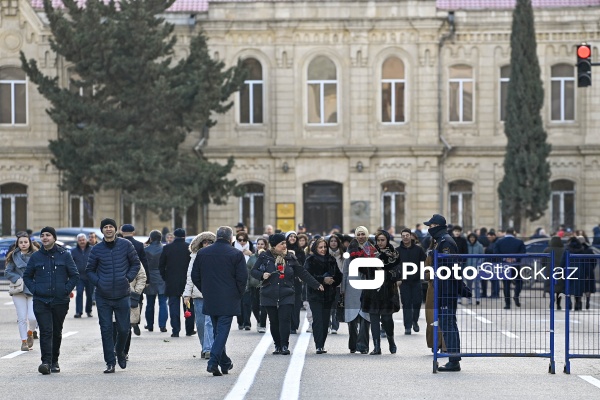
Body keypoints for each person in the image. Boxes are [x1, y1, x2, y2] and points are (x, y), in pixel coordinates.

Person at [251, 233, 323, 355]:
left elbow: (302, 272)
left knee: (284, 320)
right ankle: (277, 345)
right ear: (274, 246)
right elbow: (253, 271)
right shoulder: (265, 256)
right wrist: (262, 275)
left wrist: (316, 284)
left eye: (285, 243)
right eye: (282, 243)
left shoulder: (290, 257)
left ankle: (284, 345)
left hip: (287, 293)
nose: (285, 245)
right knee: (274, 321)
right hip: (269, 293)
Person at [86, 218, 140, 373]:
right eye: (105, 227)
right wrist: (99, 282)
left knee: (124, 329)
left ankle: (120, 352)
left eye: (111, 227)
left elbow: (135, 263)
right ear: (102, 230)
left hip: (123, 294)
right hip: (103, 296)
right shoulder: (97, 249)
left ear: (116, 229)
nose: (108, 229)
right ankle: (110, 362)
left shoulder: (126, 245)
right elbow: (89, 270)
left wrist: (128, 278)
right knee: (106, 329)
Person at [191, 226, 247, 376]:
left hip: (210, 297)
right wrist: (238, 294)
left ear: (216, 237)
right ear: (231, 239)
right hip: (228, 298)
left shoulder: (203, 253)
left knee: (217, 331)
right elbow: (242, 279)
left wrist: (205, 290)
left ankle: (225, 362)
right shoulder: (236, 254)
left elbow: (194, 275)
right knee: (221, 332)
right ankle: (213, 362)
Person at [23, 227, 79, 375]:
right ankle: (45, 362)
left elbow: (74, 275)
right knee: (46, 331)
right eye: (42, 235)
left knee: (56, 331)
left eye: (48, 235)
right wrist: (35, 289)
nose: (45, 238)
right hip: (41, 300)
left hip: (60, 300)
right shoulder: (36, 257)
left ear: (54, 238)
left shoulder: (64, 255)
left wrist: (65, 290)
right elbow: (27, 276)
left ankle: (55, 360)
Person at [423, 214, 464, 372]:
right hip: (443, 288)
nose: (429, 229)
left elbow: (450, 267)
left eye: (431, 226)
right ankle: (454, 359)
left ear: (437, 226)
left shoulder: (446, 242)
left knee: (448, 324)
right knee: (447, 324)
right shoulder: (441, 240)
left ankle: (454, 360)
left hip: (446, 289)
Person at [363, 230, 400, 355]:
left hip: (388, 290)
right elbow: (364, 269)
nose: (380, 242)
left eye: (383, 240)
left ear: (387, 240)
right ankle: (376, 346)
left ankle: (391, 340)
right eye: (378, 240)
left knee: (387, 319)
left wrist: (386, 272)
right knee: (373, 318)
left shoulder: (394, 254)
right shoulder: (370, 253)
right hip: (372, 290)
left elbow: (397, 271)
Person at [304, 237, 343, 354]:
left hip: (329, 295)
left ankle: (322, 344)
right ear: (316, 248)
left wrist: (333, 280)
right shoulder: (310, 260)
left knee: (326, 320)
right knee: (318, 320)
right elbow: (307, 276)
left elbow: (338, 275)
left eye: (325, 247)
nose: (323, 249)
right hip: (315, 295)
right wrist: (322, 280)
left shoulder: (331, 259)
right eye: (320, 247)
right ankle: (318, 345)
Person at [341, 226, 375, 354]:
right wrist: (343, 289)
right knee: (352, 318)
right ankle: (353, 344)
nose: (361, 236)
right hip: (352, 287)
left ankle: (363, 345)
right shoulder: (350, 249)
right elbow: (345, 270)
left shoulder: (372, 249)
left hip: (367, 285)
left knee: (366, 317)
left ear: (366, 235)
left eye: (363, 234)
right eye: (358, 234)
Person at [4, 232, 40, 352]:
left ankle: (30, 332)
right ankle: (24, 341)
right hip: (19, 289)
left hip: (33, 288)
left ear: (30, 243)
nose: (23, 244)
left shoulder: (36, 255)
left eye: (25, 242)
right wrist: (18, 279)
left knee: (33, 317)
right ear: (17, 244)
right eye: (21, 242)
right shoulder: (13, 256)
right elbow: (8, 272)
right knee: (21, 318)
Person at [183, 232, 216, 359]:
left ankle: (209, 348)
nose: (207, 244)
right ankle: (204, 346)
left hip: (212, 293)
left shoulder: (216, 255)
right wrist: (187, 294)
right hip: (198, 293)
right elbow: (190, 276)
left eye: (210, 242)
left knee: (209, 321)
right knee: (201, 323)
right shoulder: (195, 256)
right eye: (205, 242)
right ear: (201, 244)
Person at [159, 228, 193, 338]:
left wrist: (166, 278)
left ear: (174, 236)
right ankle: (189, 329)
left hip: (171, 282)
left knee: (173, 307)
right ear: (185, 235)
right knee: (188, 306)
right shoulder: (189, 248)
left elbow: (161, 266)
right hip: (187, 282)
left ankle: (176, 330)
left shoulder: (167, 248)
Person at [397, 228, 427, 335]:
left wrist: (423, 274)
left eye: (407, 235)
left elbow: (424, 262)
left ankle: (415, 320)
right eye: (403, 235)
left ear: (411, 236)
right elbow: (395, 265)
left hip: (416, 280)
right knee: (406, 304)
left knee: (417, 302)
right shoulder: (398, 250)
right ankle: (408, 326)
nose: (405, 237)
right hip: (404, 281)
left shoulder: (418, 250)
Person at [494, 227, 526, 309]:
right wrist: (514, 258)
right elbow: (523, 252)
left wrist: (504, 258)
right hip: (515, 264)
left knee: (506, 284)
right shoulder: (519, 241)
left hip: (504, 265)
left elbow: (495, 253)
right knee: (519, 281)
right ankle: (516, 294)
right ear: (514, 233)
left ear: (505, 233)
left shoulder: (499, 242)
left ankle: (507, 304)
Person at [144, 230, 168, 332]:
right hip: (162, 277)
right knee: (163, 302)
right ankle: (162, 325)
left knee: (150, 303)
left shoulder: (146, 249)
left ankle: (150, 325)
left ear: (151, 238)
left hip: (150, 277)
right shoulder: (165, 249)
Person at [246, 238, 269, 333]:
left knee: (263, 306)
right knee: (254, 307)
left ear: (265, 246)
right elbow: (247, 272)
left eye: (262, 244)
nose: (260, 245)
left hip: (265, 286)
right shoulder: (252, 258)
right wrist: (247, 285)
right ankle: (259, 320)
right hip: (253, 286)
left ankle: (262, 325)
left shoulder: (269, 257)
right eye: (258, 244)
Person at [71, 233, 94, 318]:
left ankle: (89, 311)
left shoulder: (92, 249)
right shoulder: (73, 251)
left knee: (90, 294)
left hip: (90, 276)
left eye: (83, 240)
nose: (82, 242)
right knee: (79, 293)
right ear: (77, 241)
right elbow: (71, 263)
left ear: (86, 240)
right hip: (79, 276)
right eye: (80, 240)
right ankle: (78, 312)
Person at [234, 231, 254, 330]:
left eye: (244, 240)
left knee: (247, 301)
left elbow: (255, 260)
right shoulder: (233, 246)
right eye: (240, 240)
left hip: (248, 275)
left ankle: (247, 322)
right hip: (236, 276)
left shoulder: (250, 246)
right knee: (239, 301)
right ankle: (240, 321)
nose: (242, 242)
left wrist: (250, 254)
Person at [327, 233, 345, 334]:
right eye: (332, 241)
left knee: (336, 306)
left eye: (335, 241)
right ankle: (328, 323)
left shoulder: (342, 255)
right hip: (328, 283)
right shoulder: (325, 254)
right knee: (328, 306)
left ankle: (335, 326)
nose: (333, 243)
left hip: (338, 284)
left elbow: (344, 270)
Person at [543, 236, 566, 308]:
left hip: (550, 270)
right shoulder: (564, 250)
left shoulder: (547, 250)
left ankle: (551, 301)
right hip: (561, 270)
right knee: (560, 287)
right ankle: (558, 304)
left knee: (551, 286)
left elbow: (543, 261)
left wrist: (545, 267)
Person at [466, 233, 483, 305]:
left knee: (477, 284)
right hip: (468, 267)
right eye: (471, 237)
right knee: (468, 284)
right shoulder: (466, 245)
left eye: (473, 237)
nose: (472, 239)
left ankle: (477, 298)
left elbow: (482, 256)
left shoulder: (479, 246)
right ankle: (469, 298)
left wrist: (478, 264)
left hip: (476, 268)